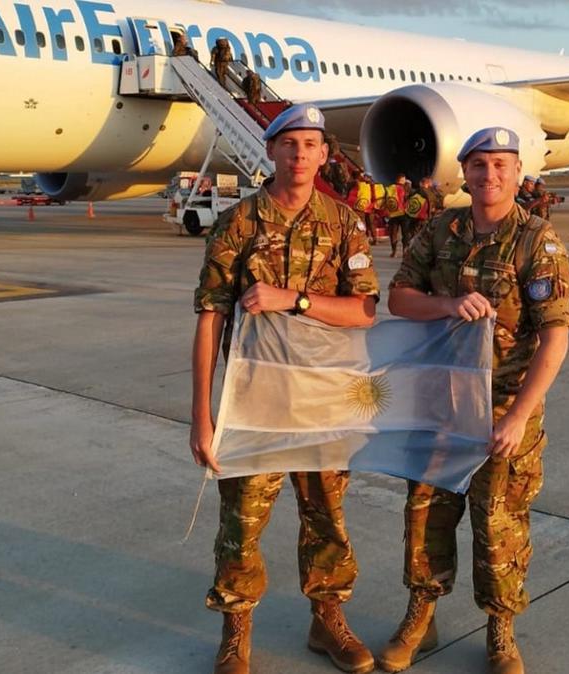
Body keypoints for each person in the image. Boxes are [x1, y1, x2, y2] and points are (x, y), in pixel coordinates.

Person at [191, 104, 380, 674]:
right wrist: (202, 415)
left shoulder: (345, 223)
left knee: (327, 518)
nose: (300, 154)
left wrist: (292, 300)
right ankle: (236, 631)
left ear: (325, 154)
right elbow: (210, 319)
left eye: (311, 145)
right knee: (241, 522)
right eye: (289, 143)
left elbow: (365, 311)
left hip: (325, 402)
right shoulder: (239, 224)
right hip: (256, 405)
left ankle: (327, 622)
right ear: (270, 151)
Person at [384, 127, 569, 674]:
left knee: (498, 522)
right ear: (463, 172)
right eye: (479, 165)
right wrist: (445, 304)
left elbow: (555, 338)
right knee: (426, 514)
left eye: (500, 165)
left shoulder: (538, 241)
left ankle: (500, 627)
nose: (489, 175)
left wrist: (518, 416)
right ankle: (421, 613)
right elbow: (399, 298)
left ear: (518, 173)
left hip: (502, 408)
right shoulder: (440, 231)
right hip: (439, 406)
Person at [401, 176, 435, 247]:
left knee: (412, 233)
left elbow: (407, 202)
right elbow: (431, 206)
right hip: (423, 218)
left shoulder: (413, 192)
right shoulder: (430, 193)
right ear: (428, 184)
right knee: (422, 236)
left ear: (420, 184)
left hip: (412, 216)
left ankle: (408, 248)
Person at [387, 173, 408, 257]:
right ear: (401, 180)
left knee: (393, 233)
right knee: (405, 234)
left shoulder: (390, 188)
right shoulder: (406, 188)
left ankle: (394, 251)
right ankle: (404, 251)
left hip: (393, 213)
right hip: (403, 214)